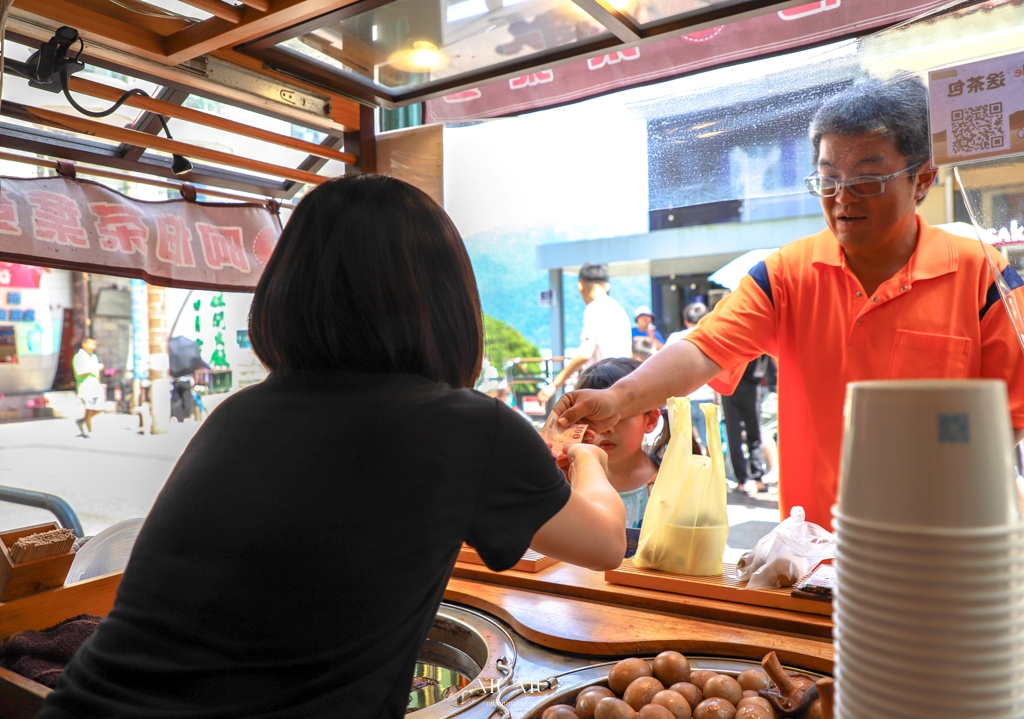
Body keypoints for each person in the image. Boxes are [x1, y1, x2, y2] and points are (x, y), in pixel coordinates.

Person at [38, 175, 626, 719]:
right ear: (446, 301)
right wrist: (591, 461)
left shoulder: (238, 413)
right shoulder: (468, 425)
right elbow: (601, 543)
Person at [552, 76, 1024, 528]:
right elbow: (704, 348)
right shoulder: (786, 274)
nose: (842, 199)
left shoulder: (985, 277)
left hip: (940, 546)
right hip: (811, 551)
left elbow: (1010, 417)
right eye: (827, 179)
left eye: (867, 180)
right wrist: (618, 398)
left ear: (922, 179)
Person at [576, 358, 667, 529]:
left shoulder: (671, 484)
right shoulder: (571, 484)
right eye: (592, 418)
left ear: (651, 420)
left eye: (619, 416)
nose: (606, 428)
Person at [536, 263, 632, 404]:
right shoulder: (620, 310)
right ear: (606, 286)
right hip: (623, 385)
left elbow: (585, 353)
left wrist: (555, 384)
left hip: (601, 386)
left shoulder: (594, 308)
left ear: (580, 286)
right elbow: (629, 354)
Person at [665, 302, 716, 452]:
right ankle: (711, 473)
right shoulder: (712, 336)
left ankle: (689, 474)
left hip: (682, 397)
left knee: (684, 444)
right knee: (710, 444)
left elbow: (665, 366)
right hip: (706, 397)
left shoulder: (675, 338)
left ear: (686, 321)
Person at [721, 356, 770, 495]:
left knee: (734, 434)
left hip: (731, 384)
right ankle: (757, 477)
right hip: (751, 385)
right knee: (753, 433)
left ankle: (743, 481)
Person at [72, 337, 103, 437]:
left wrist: (99, 384)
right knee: (89, 408)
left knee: (98, 409)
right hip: (85, 387)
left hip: (95, 387)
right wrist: (94, 368)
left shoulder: (94, 356)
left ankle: (82, 421)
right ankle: (89, 431)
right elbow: (80, 372)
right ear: (84, 344)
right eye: (91, 344)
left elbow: (97, 373)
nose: (93, 347)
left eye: (94, 344)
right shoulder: (79, 357)